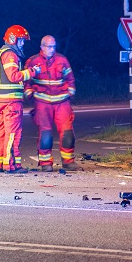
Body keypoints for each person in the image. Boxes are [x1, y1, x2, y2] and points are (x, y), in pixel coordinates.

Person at [0, 25, 41, 174]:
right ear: (13, 39)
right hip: (11, 101)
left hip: (0, 99)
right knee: (13, 133)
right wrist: (33, 71)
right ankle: (11, 165)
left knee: (2, 131)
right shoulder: (10, 54)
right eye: (21, 40)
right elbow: (13, 76)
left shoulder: (0, 53)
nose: (23, 44)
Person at [24, 35, 78, 172]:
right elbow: (26, 82)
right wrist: (30, 96)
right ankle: (45, 163)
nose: (52, 49)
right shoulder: (33, 61)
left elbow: (70, 79)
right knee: (45, 134)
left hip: (62, 102)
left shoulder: (62, 60)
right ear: (42, 47)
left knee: (67, 132)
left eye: (54, 46)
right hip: (42, 103)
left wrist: (70, 93)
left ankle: (68, 161)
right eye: (49, 47)